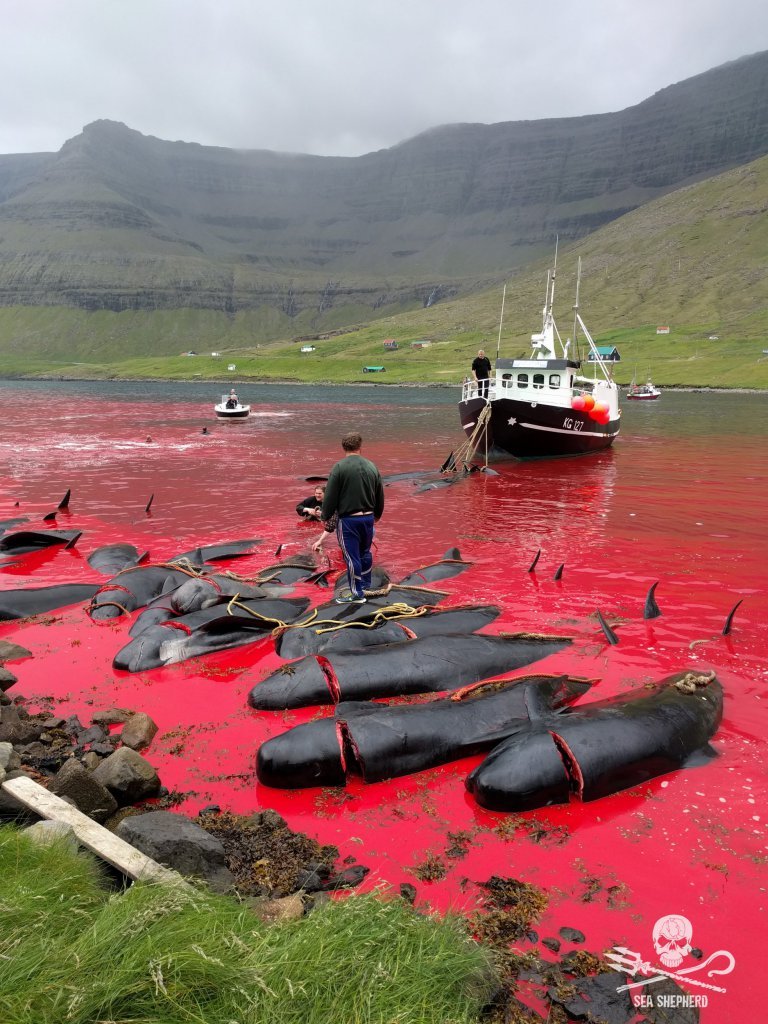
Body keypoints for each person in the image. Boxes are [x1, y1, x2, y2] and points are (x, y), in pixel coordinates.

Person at [320, 432, 384, 604]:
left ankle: (357, 594)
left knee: (351, 557)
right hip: (368, 518)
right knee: (365, 552)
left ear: (343, 447)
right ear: (360, 447)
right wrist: (377, 514)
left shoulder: (339, 467)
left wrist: (325, 516)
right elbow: (380, 493)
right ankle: (366, 585)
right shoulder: (372, 466)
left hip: (349, 520)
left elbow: (330, 496)